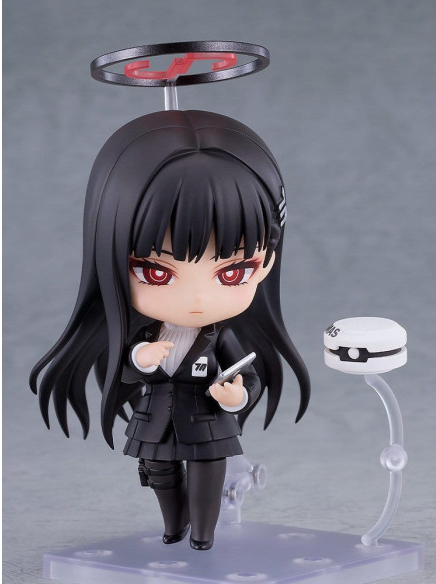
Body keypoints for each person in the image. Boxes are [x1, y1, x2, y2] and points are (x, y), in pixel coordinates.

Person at [30, 109, 310, 550]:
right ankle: (173, 525)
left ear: (266, 263)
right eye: (157, 272)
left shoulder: (222, 337)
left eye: (233, 271)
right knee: (158, 471)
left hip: (208, 419)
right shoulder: (145, 334)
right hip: (155, 416)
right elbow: (126, 368)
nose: (196, 300)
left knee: (206, 470)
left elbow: (248, 375)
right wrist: (139, 359)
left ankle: (202, 535)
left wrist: (238, 397)